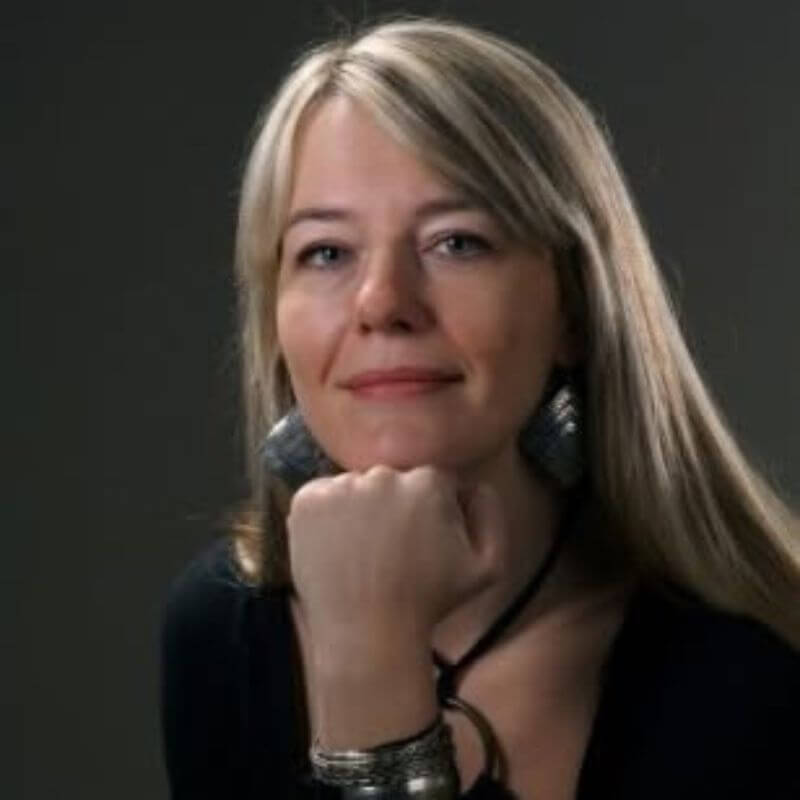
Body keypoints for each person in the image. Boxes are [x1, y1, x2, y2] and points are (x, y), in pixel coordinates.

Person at [160, 16, 800, 800]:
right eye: (326, 252)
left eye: (457, 243)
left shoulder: (752, 674)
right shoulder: (220, 629)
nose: (383, 303)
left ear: (573, 309)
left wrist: (373, 667)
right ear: (275, 323)